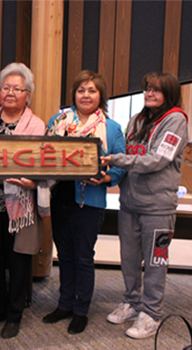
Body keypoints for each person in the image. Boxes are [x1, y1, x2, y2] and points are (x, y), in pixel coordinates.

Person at [103, 73, 188, 339]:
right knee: (128, 259)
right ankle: (132, 302)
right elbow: (129, 151)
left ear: (170, 93)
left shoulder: (176, 119)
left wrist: (115, 159)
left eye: (156, 90)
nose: (149, 94)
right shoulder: (138, 119)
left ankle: (151, 314)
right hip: (129, 202)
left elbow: (157, 160)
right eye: (147, 89)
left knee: (155, 262)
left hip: (158, 207)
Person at [43, 70, 126, 334]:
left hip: (89, 201)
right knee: (64, 255)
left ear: (100, 95)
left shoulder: (111, 128)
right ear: (74, 94)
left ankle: (81, 310)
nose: (86, 95)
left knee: (83, 257)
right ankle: (65, 303)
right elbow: (43, 154)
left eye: (92, 90)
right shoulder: (58, 121)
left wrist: (104, 179)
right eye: (81, 90)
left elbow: (121, 166)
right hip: (60, 197)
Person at [0, 63, 47, 339]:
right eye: (6, 87)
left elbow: (44, 164)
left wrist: (33, 182)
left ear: (27, 95)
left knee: (18, 260)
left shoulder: (37, 124)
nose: (10, 93)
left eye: (17, 89)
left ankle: (15, 314)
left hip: (21, 205)